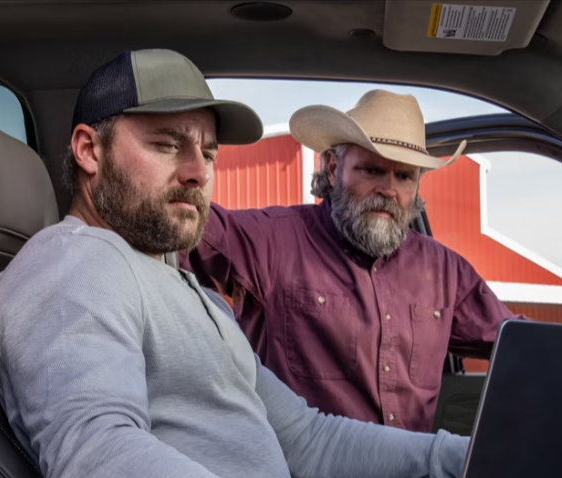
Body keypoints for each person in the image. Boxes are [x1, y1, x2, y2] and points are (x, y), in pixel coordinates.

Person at [0, 49, 467, 478]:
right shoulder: (72, 263)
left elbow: (308, 439)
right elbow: (95, 467)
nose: (197, 173)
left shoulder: (194, 293)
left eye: (208, 153)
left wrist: (458, 454)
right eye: (167, 145)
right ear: (89, 151)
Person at [184, 89, 519, 434]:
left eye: (404, 177)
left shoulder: (446, 272)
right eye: (372, 170)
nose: (388, 190)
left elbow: (522, 346)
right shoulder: (275, 241)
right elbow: (182, 228)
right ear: (332, 168)